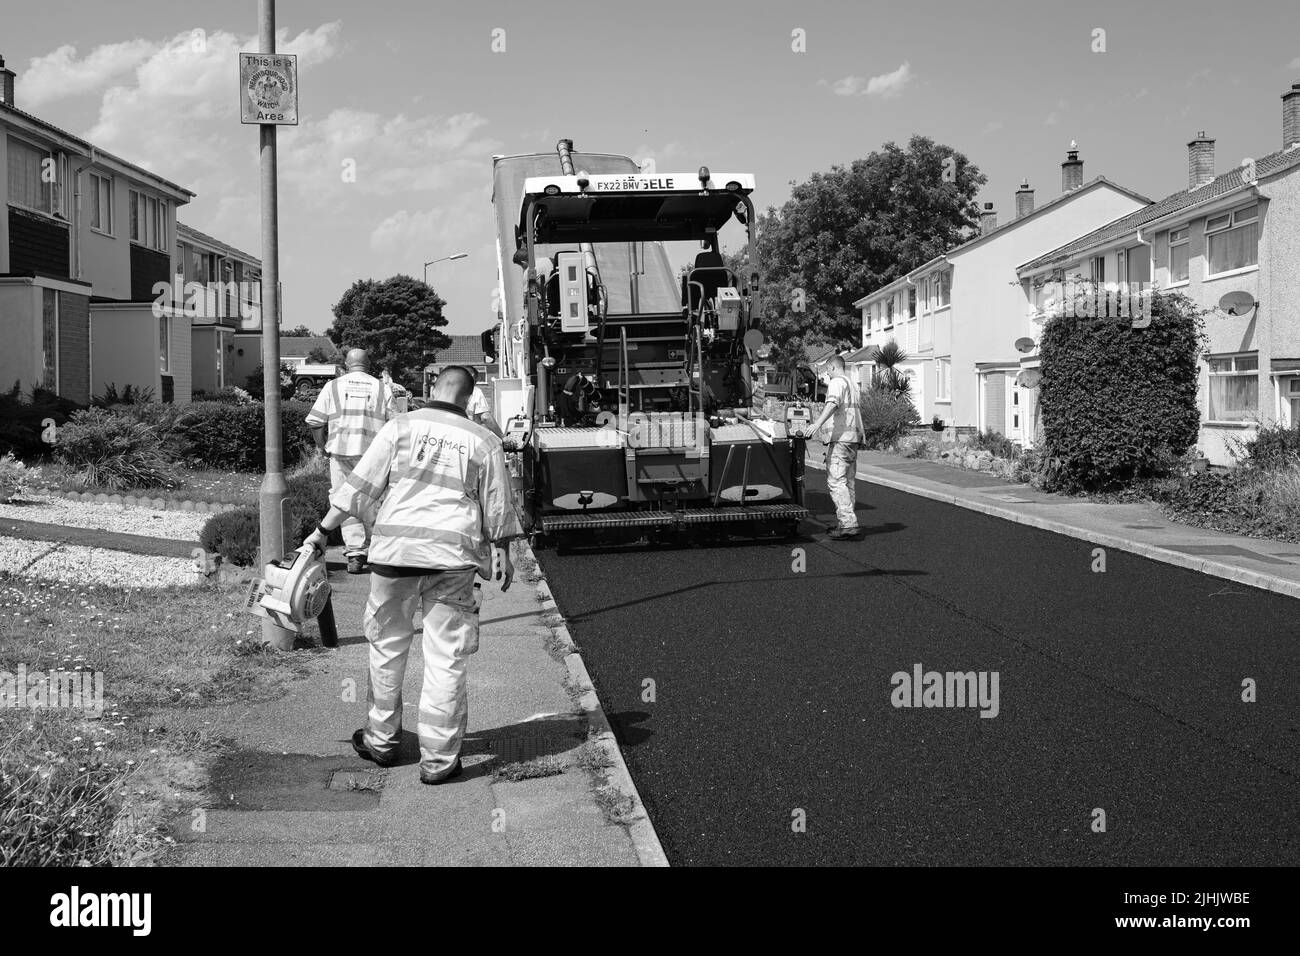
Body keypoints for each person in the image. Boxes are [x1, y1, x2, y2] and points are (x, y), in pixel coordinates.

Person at [302, 366, 523, 785]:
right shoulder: (484, 441)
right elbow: (497, 505)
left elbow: (358, 487)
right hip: (452, 562)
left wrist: (320, 534)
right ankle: (439, 762)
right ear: (470, 398)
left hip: (394, 557)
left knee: (386, 650)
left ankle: (382, 743)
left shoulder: (400, 427)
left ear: (433, 388)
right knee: (446, 660)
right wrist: (502, 553)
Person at [304, 349, 392, 573]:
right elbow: (397, 425)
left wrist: (321, 445)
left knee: (343, 500)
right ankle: (379, 551)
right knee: (373, 501)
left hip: (341, 453)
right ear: (368, 364)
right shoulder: (382, 388)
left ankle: (355, 553)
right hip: (373, 456)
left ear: (346, 364)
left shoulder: (333, 386)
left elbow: (315, 421)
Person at [805, 354, 864, 539]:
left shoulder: (837, 382)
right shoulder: (852, 384)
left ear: (832, 368)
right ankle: (847, 521)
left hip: (841, 438)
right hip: (853, 438)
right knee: (848, 481)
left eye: (827, 371)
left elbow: (832, 403)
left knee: (836, 481)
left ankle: (847, 524)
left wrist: (817, 424)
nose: (827, 376)